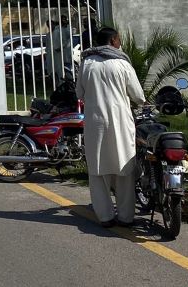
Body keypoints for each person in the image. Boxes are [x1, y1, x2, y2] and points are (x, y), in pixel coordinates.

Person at [73, 27, 145, 228]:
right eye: (119, 39)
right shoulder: (122, 63)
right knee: (124, 168)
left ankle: (105, 217)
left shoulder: (87, 63)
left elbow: (79, 93)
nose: (120, 42)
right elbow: (138, 96)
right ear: (113, 40)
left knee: (98, 170)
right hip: (120, 122)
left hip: (95, 124)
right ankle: (126, 217)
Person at [48, 19, 75, 84]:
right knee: (58, 70)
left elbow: (66, 42)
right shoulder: (55, 32)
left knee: (66, 69)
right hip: (57, 54)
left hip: (65, 53)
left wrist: (60, 47)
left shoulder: (67, 29)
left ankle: (67, 82)